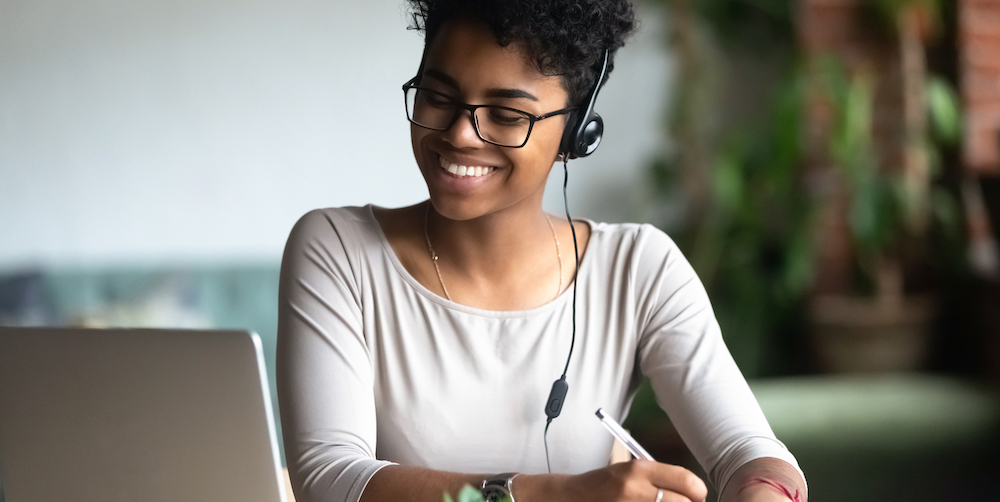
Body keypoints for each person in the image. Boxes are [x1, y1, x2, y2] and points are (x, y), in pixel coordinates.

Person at [276, 1, 807, 501]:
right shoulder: (337, 251)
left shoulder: (638, 269)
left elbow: (752, 454)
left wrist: (760, 487)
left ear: (576, 133)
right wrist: (551, 494)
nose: (460, 133)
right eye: (438, 97)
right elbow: (329, 479)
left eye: (507, 114)